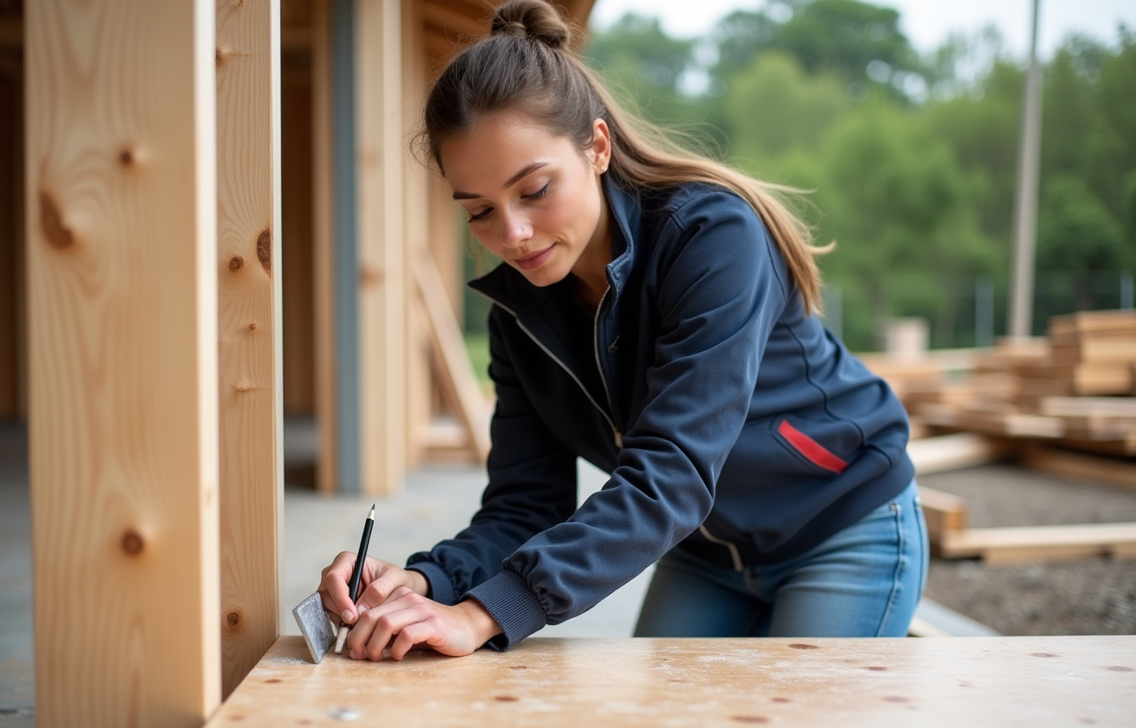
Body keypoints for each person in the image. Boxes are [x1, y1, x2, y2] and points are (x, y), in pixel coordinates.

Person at [319, 0, 927, 662]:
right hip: (703, 552)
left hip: (839, 525)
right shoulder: (518, 317)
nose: (512, 235)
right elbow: (524, 507)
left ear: (598, 148)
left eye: (534, 189)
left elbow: (673, 471)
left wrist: (484, 613)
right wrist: (427, 579)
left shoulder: (713, 238)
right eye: (480, 211)